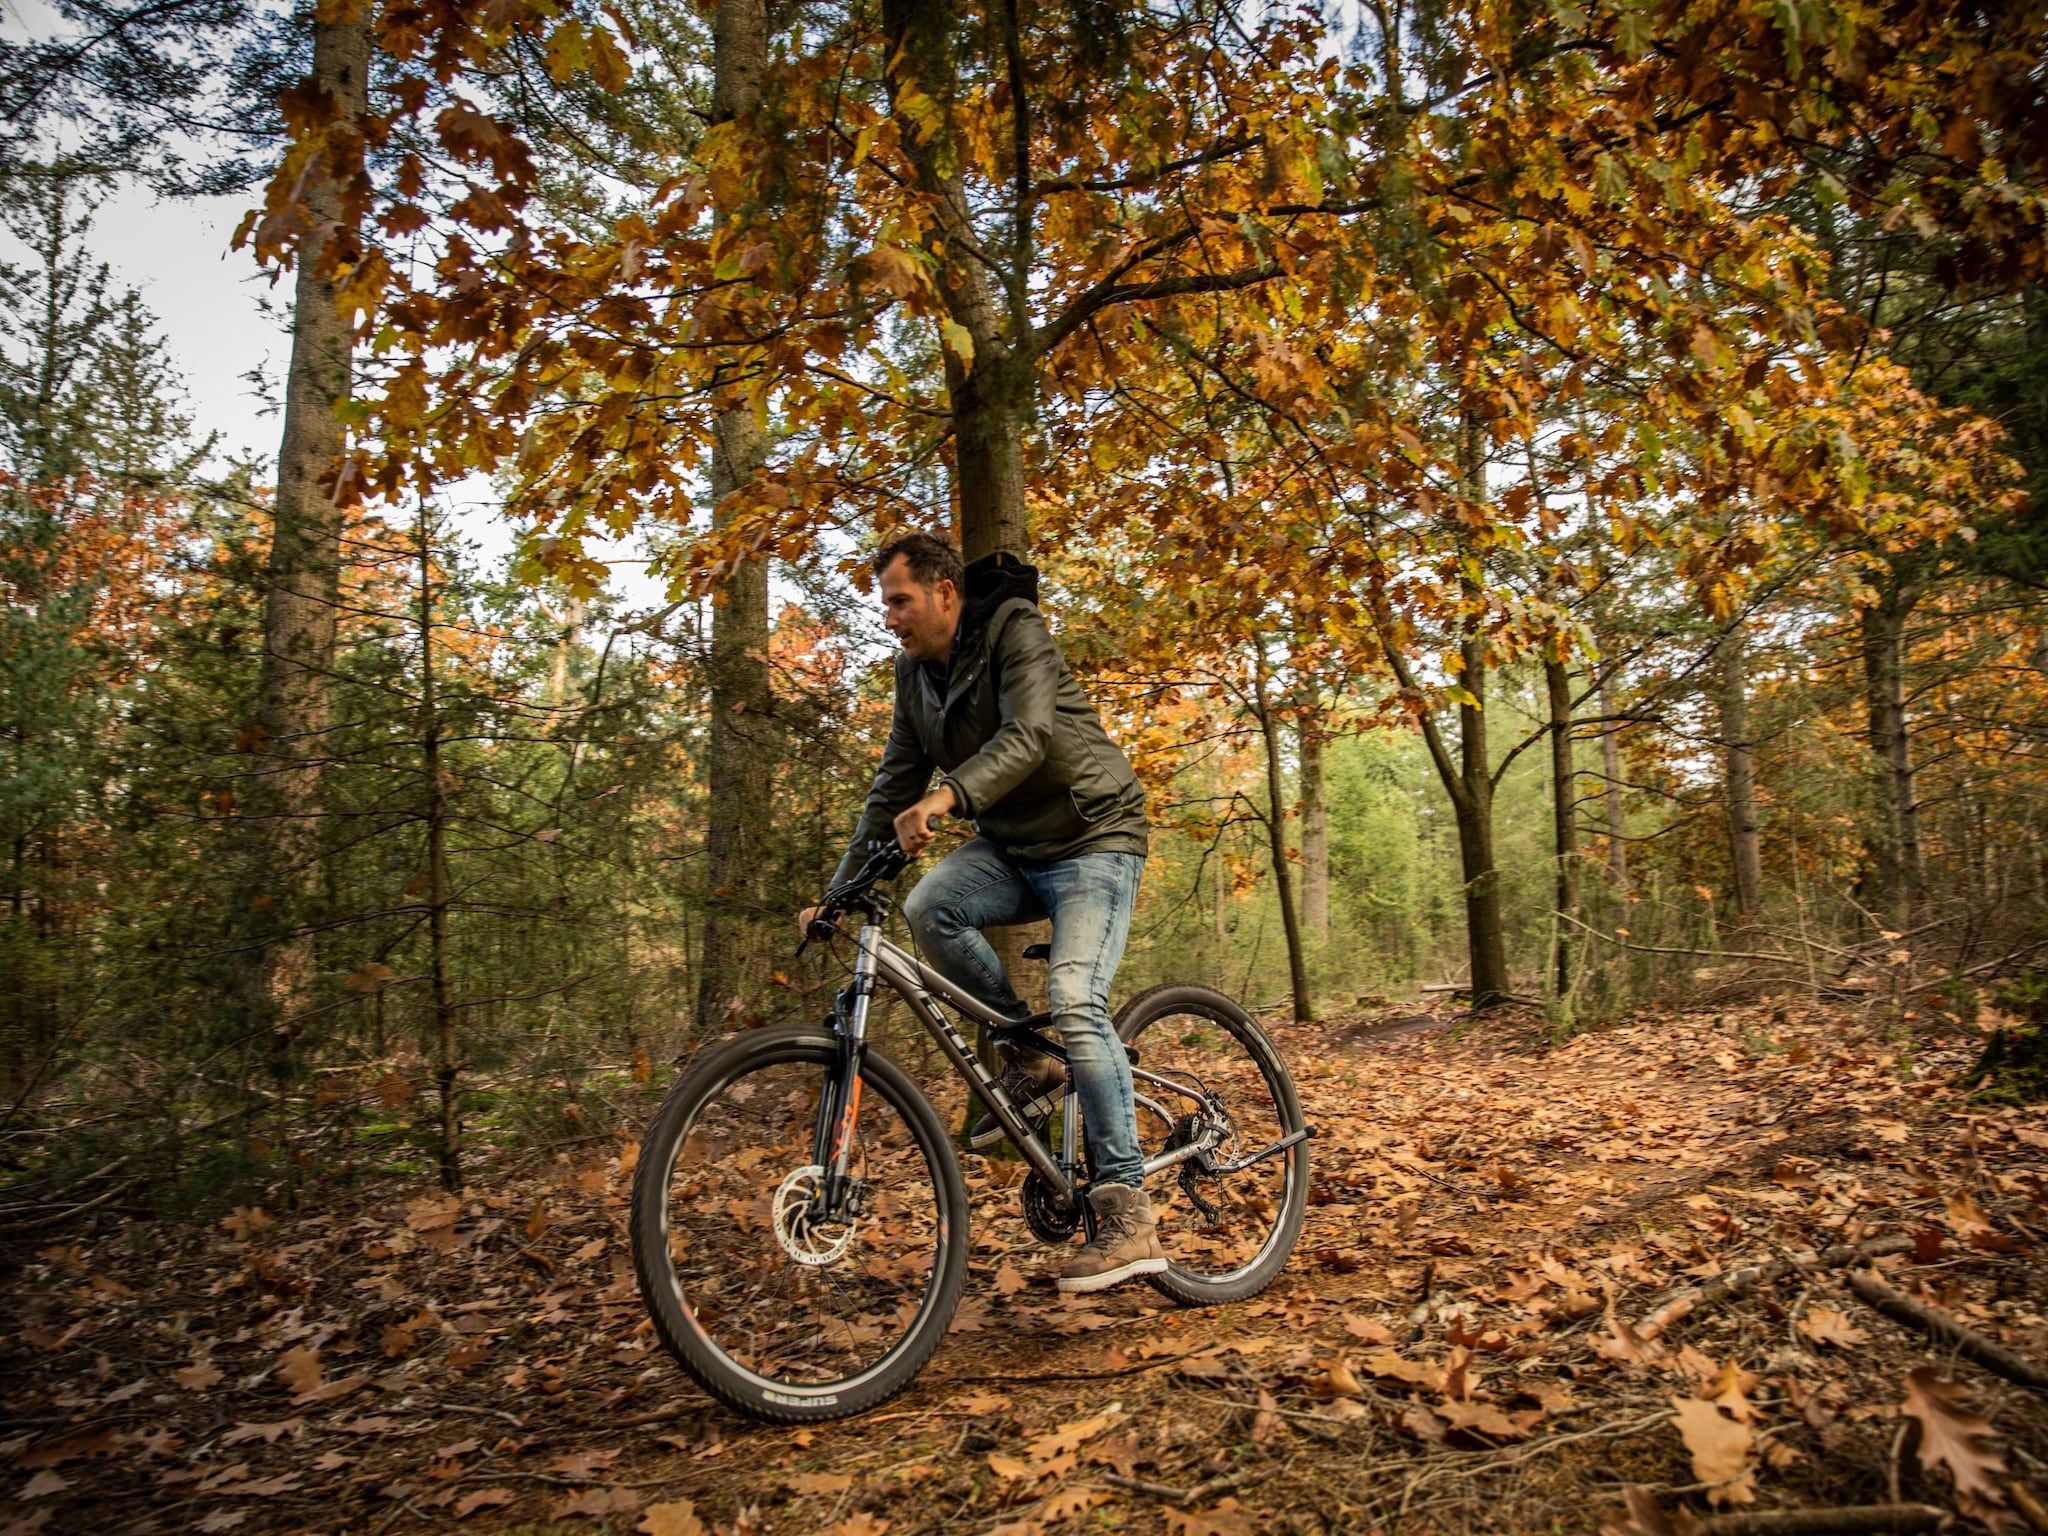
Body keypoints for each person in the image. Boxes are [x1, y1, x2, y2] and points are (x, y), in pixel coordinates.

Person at [800, 532, 1159, 1294]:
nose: (890, 618)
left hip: (1096, 834)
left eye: (900, 601)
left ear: (945, 593)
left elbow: (1027, 736)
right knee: (933, 905)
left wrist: (950, 794)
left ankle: (1128, 1208)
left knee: (1075, 996)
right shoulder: (913, 677)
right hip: (1016, 847)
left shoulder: (1014, 631)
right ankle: (1027, 1056)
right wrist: (837, 893)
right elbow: (891, 786)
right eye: (885, 605)